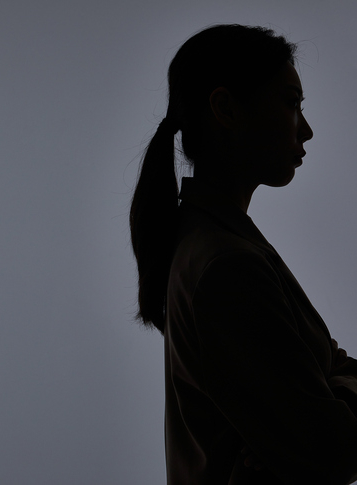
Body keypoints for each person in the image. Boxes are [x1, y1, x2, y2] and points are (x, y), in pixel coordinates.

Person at [130, 24, 357, 484]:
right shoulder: (227, 265)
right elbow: (336, 452)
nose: (306, 129)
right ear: (226, 109)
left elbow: (333, 368)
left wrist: (330, 395)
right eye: (291, 104)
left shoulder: (213, 243)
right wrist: (332, 404)